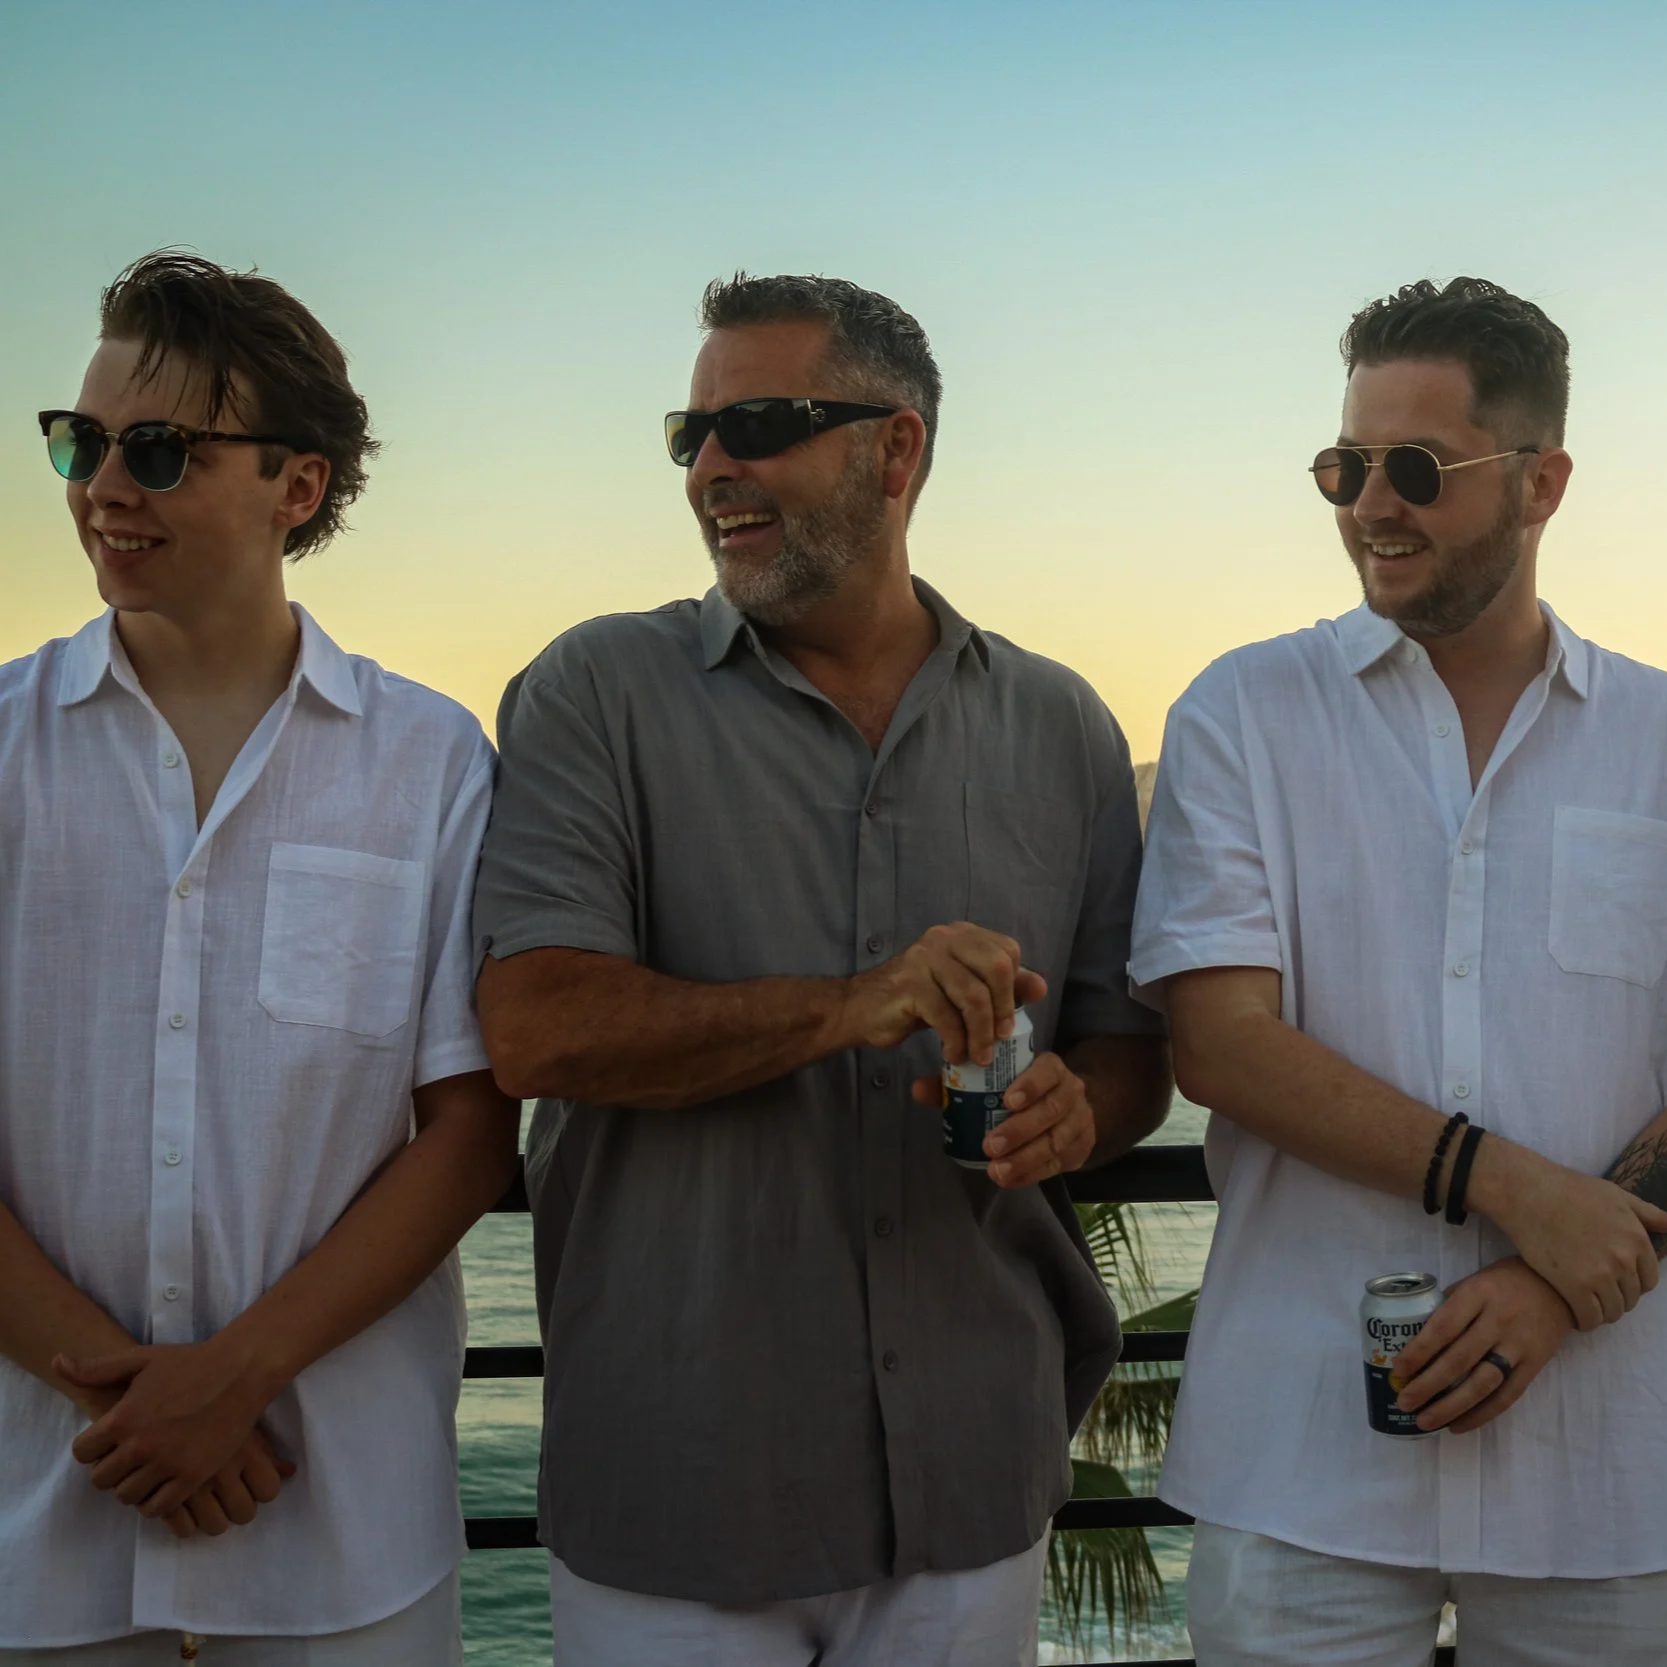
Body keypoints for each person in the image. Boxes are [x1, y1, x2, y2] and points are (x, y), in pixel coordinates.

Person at [472, 272, 1172, 1666]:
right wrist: (853, 1006)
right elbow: (536, 1028)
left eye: (761, 424)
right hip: (680, 1490)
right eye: (693, 436)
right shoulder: (594, 693)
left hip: (974, 1484)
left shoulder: (1063, 727)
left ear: (894, 448)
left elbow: (1127, 1047)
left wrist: (1082, 1111)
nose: (713, 467)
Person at [1131, 277, 1667, 1666]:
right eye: (1344, 466)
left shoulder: (1659, 743)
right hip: (1300, 1465)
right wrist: (1513, 1188)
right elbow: (1219, 1044)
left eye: (1416, 469)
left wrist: (1557, 1279)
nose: (1371, 503)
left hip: (1608, 1477)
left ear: (1540, 481)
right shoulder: (1241, 711)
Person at [0, 252, 520, 1664]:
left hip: (339, 1529)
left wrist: (234, 1378)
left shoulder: (430, 763)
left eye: (158, 448)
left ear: (297, 487)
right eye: (80, 439)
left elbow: (467, 1133)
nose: (104, 483)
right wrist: (132, 1404)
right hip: (38, 1534)